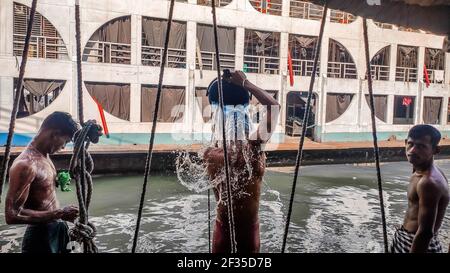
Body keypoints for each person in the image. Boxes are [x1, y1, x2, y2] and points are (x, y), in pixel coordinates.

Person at [203, 70, 280, 253]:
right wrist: (246, 83)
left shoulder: (209, 152)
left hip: (221, 231)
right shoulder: (251, 149)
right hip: (249, 232)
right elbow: (274, 107)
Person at [5, 112, 83, 253]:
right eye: (65, 141)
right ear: (55, 134)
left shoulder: (44, 155)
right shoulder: (26, 165)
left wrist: (57, 180)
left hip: (57, 228)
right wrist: (59, 213)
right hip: (40, 237)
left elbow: (39, 188)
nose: (64, 147)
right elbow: (11, 215)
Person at [391, 124, 449, 253]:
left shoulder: (428, 182)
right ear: (405, 143)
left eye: (421, 146)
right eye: (410, 144)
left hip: (417, 245)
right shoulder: (419, 168)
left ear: (436, 150)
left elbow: (425, 233)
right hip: (407, 238)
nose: (412, 151)